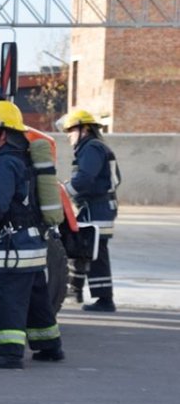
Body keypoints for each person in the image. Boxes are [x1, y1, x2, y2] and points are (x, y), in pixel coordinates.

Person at [0, 101, 64, 369]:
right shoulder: (20, 157)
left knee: (8, 299)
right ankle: (50, 347)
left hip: (14, 247)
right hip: (33, 244)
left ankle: (10, 354)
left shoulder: (6, 162)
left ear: (4, 133)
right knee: (37, 299)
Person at [58, 109, 121, 312]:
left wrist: (62, 191)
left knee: (95, 252)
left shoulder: (92, 148)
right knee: (82, 247)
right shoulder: (92, 147)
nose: (68, 135)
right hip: (94, 207)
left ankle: (105, 300)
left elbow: (85, 179)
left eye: (71, 130)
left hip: (98, 208)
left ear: (84, 129)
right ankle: (75, 290)